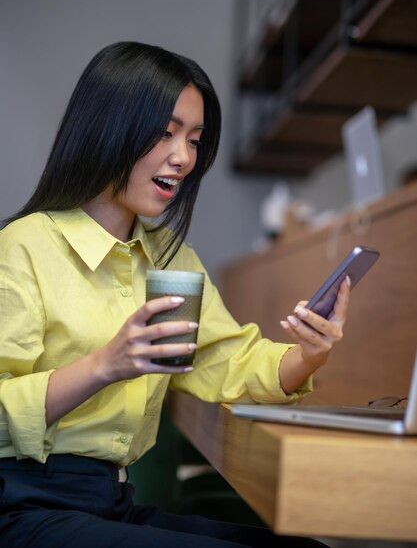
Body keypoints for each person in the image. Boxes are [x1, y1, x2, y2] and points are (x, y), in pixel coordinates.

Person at [0, 42, 350, 548]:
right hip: (23, 507)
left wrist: (308, 354)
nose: (183, 158)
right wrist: (106, 364)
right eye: (165, 134)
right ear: (107, 128)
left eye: (194, 139)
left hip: (113, 504)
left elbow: (227, 360)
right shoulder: (24, 246)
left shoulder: (171, 258)